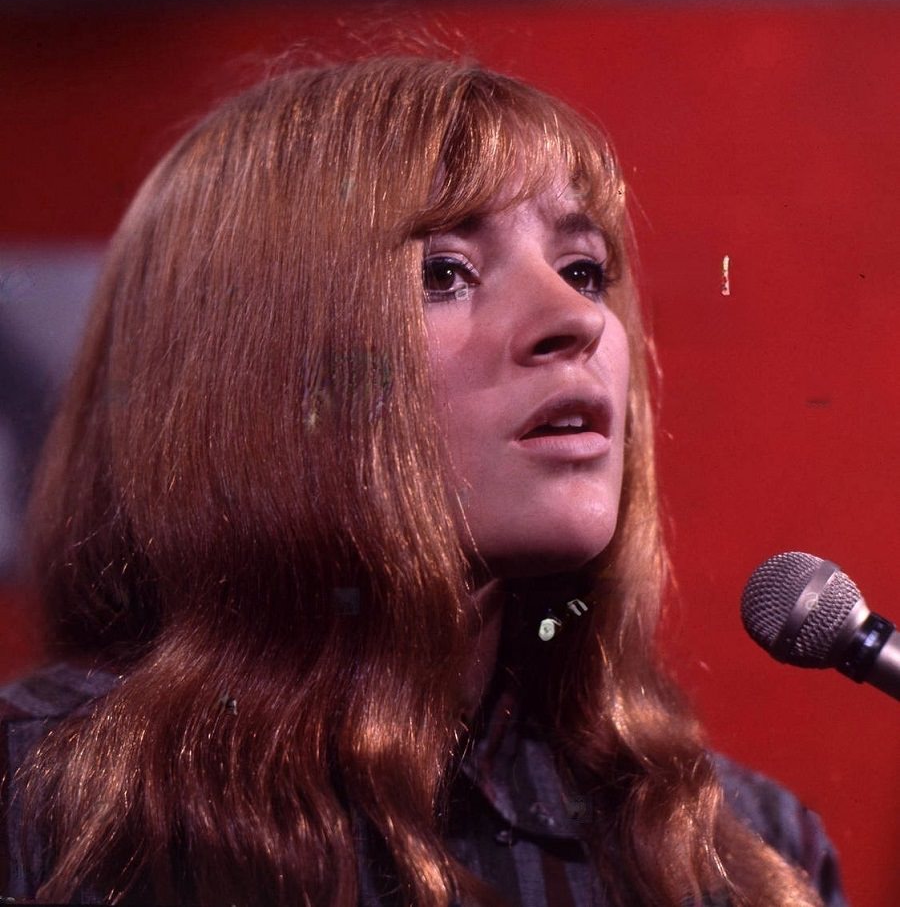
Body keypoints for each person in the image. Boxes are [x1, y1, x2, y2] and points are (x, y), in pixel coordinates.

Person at [0, 56, 845, 906]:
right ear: (254, 372)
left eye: (584, 270)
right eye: (443, 272)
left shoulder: (750, 856)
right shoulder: (35, 810)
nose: (577, 319)